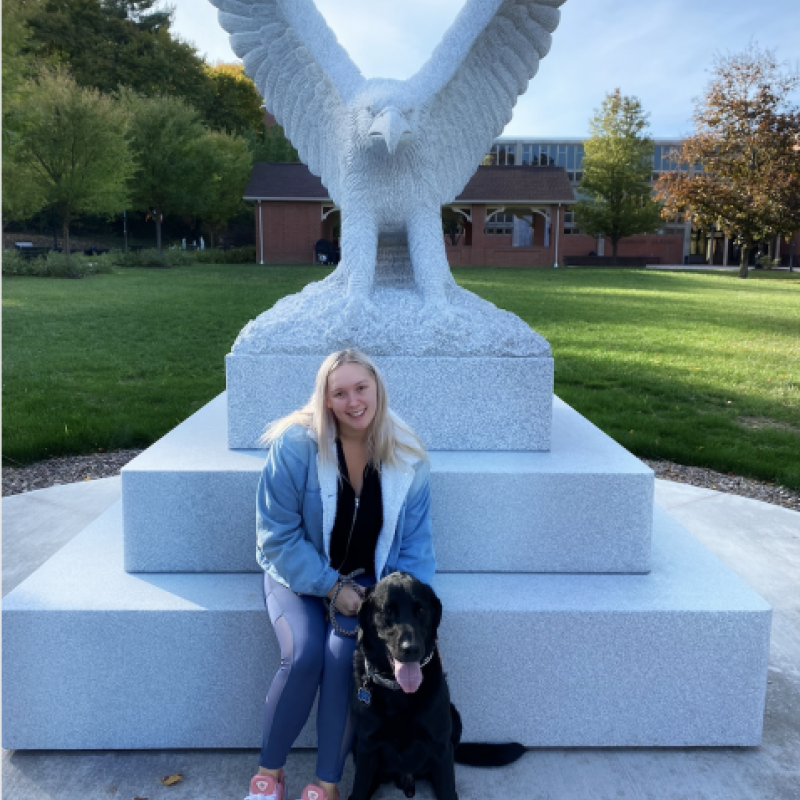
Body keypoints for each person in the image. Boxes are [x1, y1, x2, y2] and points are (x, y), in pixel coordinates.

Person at [247, 348, 436, 800]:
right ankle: (268, 776)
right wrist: (332, 586)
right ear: (325, 399)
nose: (353, 402)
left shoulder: (408, 456)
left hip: (368, 585)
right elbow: (276, 537)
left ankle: (326, 785)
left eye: (361, 388)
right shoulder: (296, 447)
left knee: (343, 657)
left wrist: (411, 618)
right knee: (304, 654)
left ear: (378, 389)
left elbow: (415, 549)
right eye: (340, 393)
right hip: (296, 575)